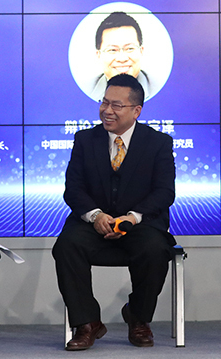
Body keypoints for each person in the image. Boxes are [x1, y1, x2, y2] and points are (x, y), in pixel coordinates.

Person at [53, 73, 176, 351]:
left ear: (136, 111)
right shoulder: (85, 140)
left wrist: (132, 217)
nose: (107, 110)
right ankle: (87, 323)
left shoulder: (158, 143)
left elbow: (164, 192)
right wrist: (95, 215)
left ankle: (138, 317)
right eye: (104, 102)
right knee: (67, 246)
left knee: (156, 250)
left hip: (139, 224)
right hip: (93, 223)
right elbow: (73, 189)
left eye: (116, 105)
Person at [89, 11, 151, 101]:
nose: (122, 59)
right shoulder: (88, 89)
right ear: (99, 55)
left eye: (130, 48)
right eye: (112, 50)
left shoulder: (158, 87)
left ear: (141, 51)